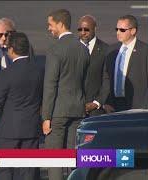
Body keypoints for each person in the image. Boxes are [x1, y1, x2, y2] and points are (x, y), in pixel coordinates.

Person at [42, 9, 90, 180]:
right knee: (72, 156)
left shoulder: (55, 49)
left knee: (54, 158)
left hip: (58, 112)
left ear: (61, 24)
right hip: (77, 109)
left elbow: (50, 85)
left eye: (51, 25)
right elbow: (84, 81)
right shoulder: (83, 48)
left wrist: (46, 117)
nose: (49, 28)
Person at [0, 32, 43, 180]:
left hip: (8, 131)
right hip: (31, 129)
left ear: (11, 50)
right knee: (28, 172)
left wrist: (3, 121)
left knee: (6, 172)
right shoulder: (39, 71)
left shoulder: (6, 73)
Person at [102, 15, 148, 112]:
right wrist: (106, 101)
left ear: (133, 31)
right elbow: (107, 77)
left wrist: (145, 107)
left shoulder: (145, 51)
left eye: (122, 30)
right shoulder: (112, 50)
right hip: (114, 106)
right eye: (117, 29)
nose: (118, 33)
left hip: (137, 107)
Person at [77, 15, 109, 116]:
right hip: (73, 110)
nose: (83, 33)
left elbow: (106, 80)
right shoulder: (71, 48)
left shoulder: (105, 50)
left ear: (95, 28)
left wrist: (96, 103)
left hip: (95, 111)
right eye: (80, 29)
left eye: (86, 30)